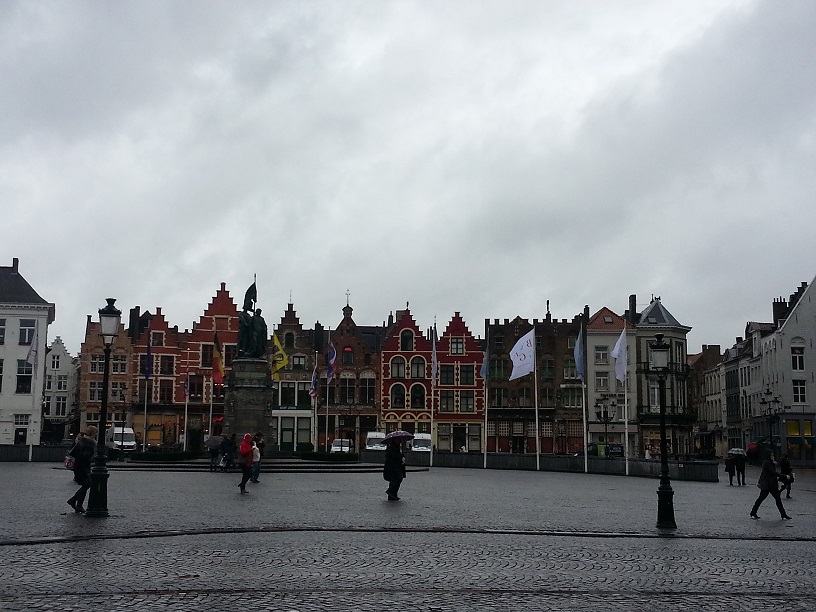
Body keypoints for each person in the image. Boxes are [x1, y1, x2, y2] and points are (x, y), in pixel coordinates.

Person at [750, 450, 791, 520]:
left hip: (771, 484)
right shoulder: (767, 463)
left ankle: (783, 514)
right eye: (771, 455)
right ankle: (753, 512)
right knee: (761, 499)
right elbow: (773, 472)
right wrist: (784, 476)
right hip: (768, 485)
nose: (773, 457)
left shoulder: (769, 462)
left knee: (777, 499)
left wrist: (773, 464)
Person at [66, 426, 97, 514]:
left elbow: (72, 452)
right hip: (84, 467)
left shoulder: (81, 440)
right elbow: (86, 456)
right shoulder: (90, 442)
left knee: (85, 485)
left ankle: (78, 505)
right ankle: (74, 501)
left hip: (77, 466)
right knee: (87, 484)